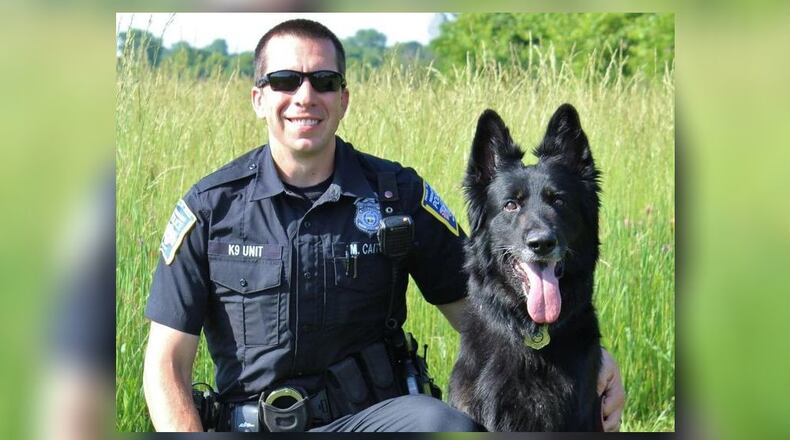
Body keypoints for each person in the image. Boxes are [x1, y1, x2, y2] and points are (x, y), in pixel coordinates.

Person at [142, 18, 624, 432]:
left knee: (445, 425)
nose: (305, 96)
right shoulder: (211, 208)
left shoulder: (397, 196)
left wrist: (591, 358)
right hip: (248, 426)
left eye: (324, 81)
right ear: (258, 98)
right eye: (285, 80)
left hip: (373, 421)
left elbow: (488, 303)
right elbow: (166, 366)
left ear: (344, 98)